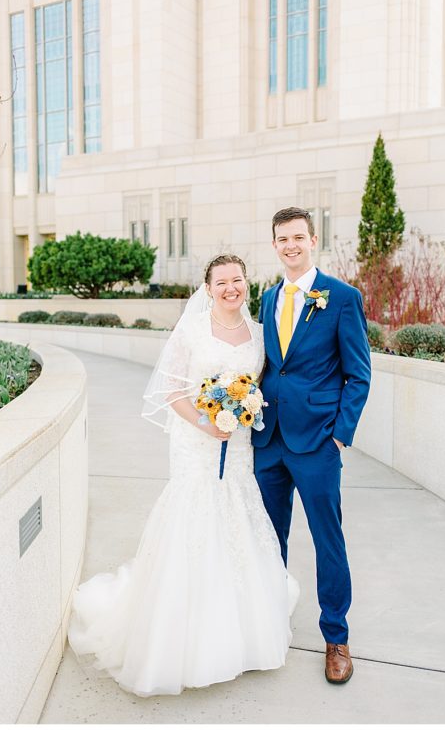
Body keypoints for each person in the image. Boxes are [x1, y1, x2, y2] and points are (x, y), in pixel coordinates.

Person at [67, 254, 296, 697]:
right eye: (222, 281)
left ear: (246, 284)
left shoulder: (259, 334)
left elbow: (262, 388)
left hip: (239, 444)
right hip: (196, 443)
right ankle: (188, 636)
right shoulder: (191, 330)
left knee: (236, 518)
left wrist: (244, 411)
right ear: (208, 288)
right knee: (194, 519)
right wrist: (207, 423)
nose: (231, 288)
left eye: (237, 280)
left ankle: (242, 633)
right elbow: (171, 390)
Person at [253, 206, 371, 685]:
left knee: (328, 541)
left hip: (319, 441)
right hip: (269, 440)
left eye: (298, 237)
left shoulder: (341, 298)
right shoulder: (266, 298)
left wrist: (340, 434)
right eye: (282, 239)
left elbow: (358, 374)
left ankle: (336, 637)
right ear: (275, 244)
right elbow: (268, 366)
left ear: (313, 239)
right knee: (267, 540)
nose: (291, 246)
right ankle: (270, 625)